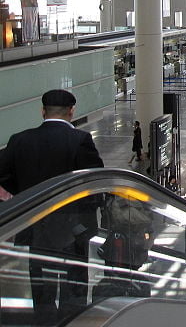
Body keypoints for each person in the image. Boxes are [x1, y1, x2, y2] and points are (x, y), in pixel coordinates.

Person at [0, 89, 104, 324]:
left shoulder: (20, 140)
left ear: (43, 112)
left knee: (42, 289)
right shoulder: (80, 140)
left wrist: (24, 195)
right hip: (73, 231)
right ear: (71, 111)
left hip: (35, 227)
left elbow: (3, 176)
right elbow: (96, 182)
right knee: (74, 288)